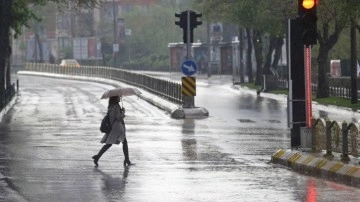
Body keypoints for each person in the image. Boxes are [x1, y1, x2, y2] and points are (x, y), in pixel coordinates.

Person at [92, 95, 132, 167]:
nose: (119, 98)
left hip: (113, 127)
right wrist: (123, 113)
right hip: (117, 127)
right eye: (118, 97)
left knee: (109, 143)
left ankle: (97, 157)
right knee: (124, 142)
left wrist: (121, 111)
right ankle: (127, 160)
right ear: (115, 98)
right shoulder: (116, 106)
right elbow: (118, 118)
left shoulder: (111, 106)